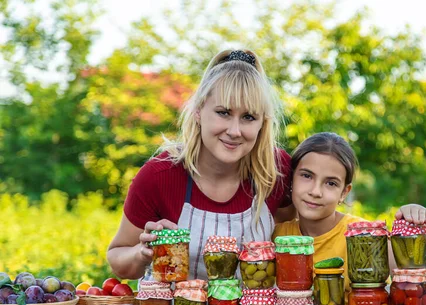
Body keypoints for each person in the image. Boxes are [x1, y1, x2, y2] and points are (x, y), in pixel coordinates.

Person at [107, 49, 295, 281]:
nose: (234, 131)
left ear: (262, 123)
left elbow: (298, 232)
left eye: (248, 117)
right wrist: (141, 253)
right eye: (223, 112)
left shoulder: (276, 170)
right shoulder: (159, 176)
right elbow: (118, 258)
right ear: (198, 111)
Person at [272, 132, 426, 287]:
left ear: (344, 192)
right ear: (291, 179)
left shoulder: (363, 236)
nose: (315, 191)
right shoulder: (277, 237)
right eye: (307, 176)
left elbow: (412, 273)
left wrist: (412, 219)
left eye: (331, 183)